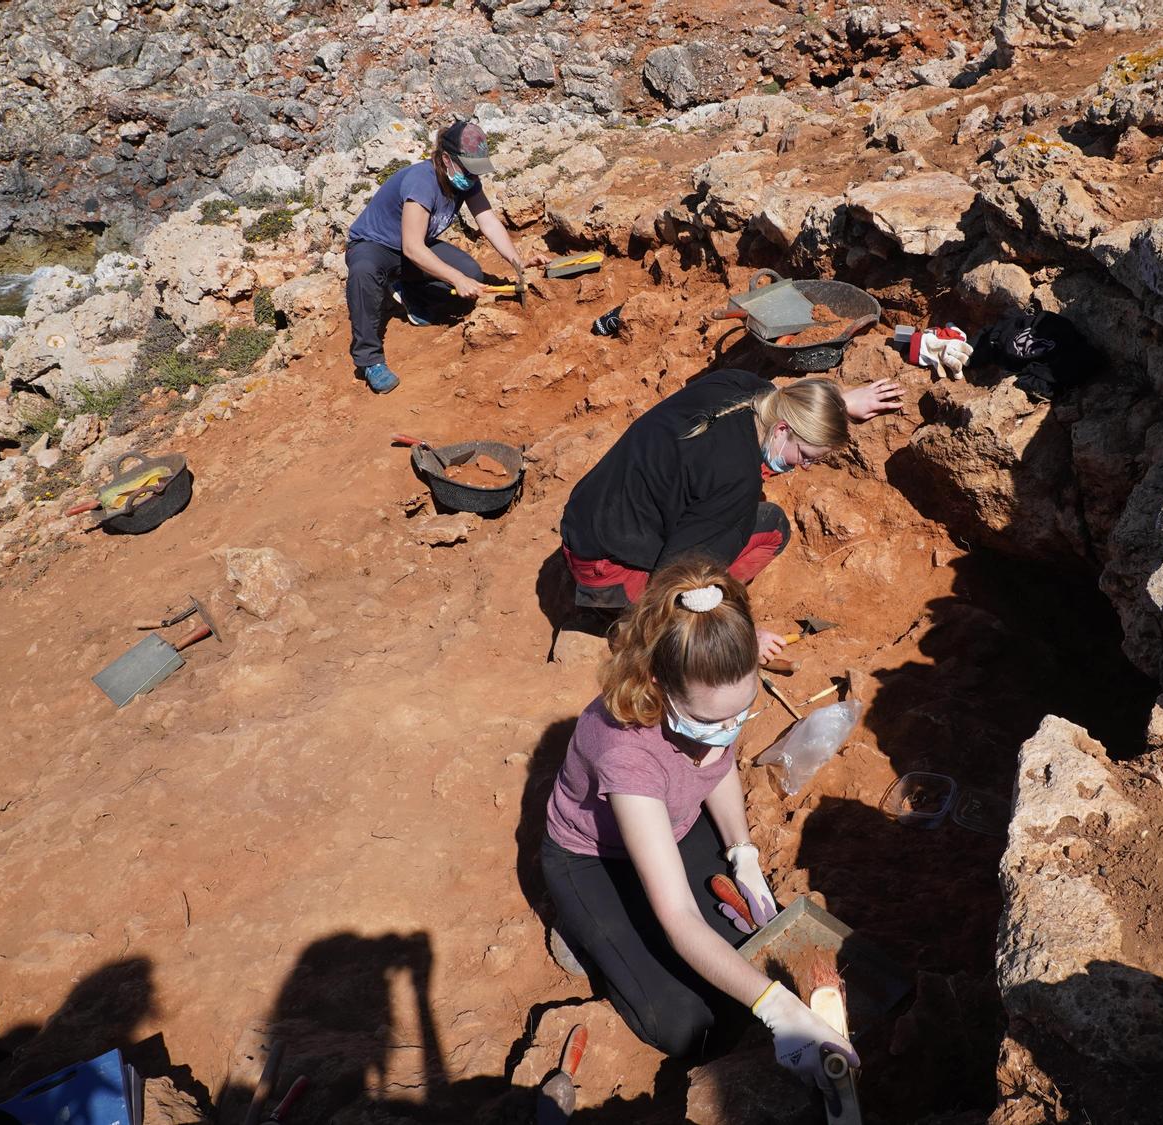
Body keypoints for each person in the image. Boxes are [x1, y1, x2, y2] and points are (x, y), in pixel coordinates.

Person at [540, 559, 858, 1087]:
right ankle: (583, 930)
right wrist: (778, 1010)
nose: (729, 730)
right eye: (713, 721)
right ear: (659, 684)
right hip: (594, 857)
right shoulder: (627, 753)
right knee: (695, 1029)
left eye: (741, 714)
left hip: (675, 822)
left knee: (751, 951)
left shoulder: (716, 665)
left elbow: (718, 765)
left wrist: (743, 853)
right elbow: (680, 917)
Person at [557, 370, 902, 652]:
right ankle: (637, 630)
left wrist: (839, 403)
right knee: (769, 533)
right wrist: (739, 635)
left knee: (758, 518)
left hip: (584, 521)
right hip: (606, 570)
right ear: (782, 429)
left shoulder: (740, 385)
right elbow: (678, 580)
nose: (806, 467)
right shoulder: (735, 483)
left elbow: (784, 396)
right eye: (807, 456)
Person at [343, 119, 549, 394]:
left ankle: (409, 293)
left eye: (476, 172)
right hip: (376, 246)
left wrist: (518, 261)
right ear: (445, 159)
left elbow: (487, 221)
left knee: (472, 274)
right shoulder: (422, 182)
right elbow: (413, 248)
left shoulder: (467, 182)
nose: (473, 178)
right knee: (365, 271)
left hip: (412, 250)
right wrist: (455, 278)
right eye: (468, 170)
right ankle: (369, 360)